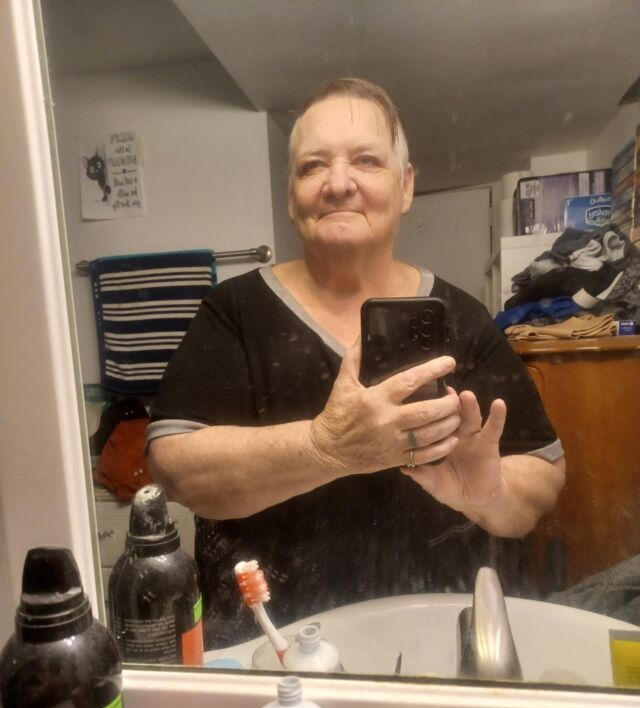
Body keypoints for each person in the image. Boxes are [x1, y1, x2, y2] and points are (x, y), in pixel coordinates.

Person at [147, 78, 565, 648]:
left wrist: (489, 494)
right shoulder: (234, 312)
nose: (338, 183)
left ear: (406, 185)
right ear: (291, 195)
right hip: (268, 647)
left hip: (435, 637)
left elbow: (543, 475)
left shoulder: (462, 317)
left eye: (366, 161)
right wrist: (326, 448)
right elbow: (175, 468)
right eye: (312, 166)